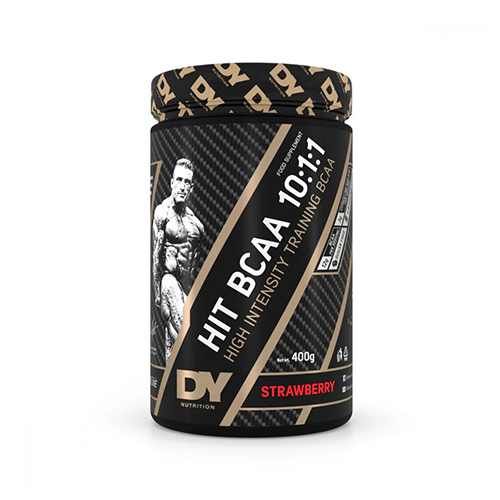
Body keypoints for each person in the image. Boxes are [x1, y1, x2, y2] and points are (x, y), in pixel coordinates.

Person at [152, 158, 205, 358]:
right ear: (172, 183)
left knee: (174, 346)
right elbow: (156, 255)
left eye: (187, 182)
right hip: (168, 281)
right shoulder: (163, 213)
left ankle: (172, 375)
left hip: (187, 288)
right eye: (179, 180)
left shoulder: (196, 225)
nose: (182, 186)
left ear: (191, 187)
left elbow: (197, 262)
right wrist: (157, 294)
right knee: (186, 332)